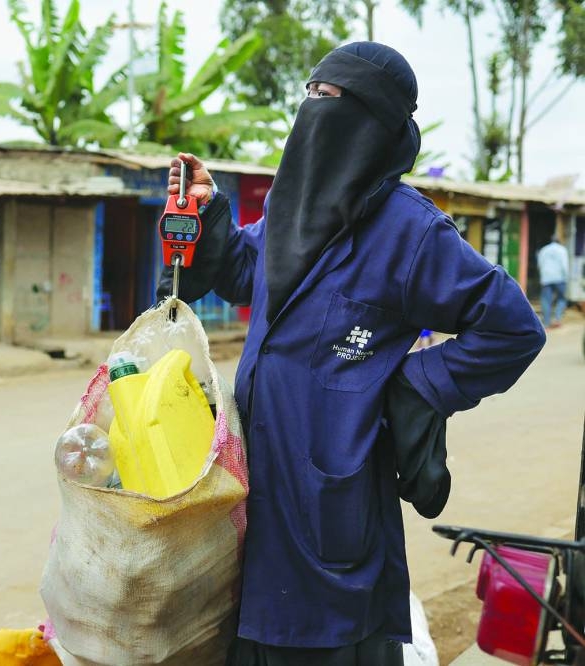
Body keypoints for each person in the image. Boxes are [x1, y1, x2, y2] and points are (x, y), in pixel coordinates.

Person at [160, 42, 546, 665]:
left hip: (332, 501)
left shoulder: (410, 232)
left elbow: (512, 328)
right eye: (310, 96)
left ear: (373, 122)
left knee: (331, 643)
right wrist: (209, 216)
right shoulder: (288, 212)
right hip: (252, 488)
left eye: (330, 100)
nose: (315, 111)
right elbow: (241, 275)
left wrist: (415, 384)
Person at [537, 235, 569, 328]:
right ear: (559, 241)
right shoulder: (562, 250)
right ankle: (557, 318)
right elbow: (565, 265)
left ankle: (546, 322)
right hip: (560, 278)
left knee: (546, 300)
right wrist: (566, 278)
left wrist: (542, 276)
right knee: (562, 298)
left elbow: (540, 264)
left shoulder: (544, 250)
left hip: (546, 278)